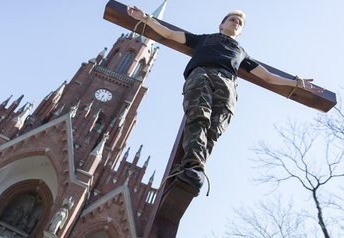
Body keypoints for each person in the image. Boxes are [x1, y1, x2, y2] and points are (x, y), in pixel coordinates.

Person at [126, 6, 323, 190]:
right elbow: (169, 34)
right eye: (232, 19)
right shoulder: (204, 39)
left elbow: (268, 77)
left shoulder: (241, 52)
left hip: (227, 84)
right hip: (202, 74)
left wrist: (296, 83)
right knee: (198, 114)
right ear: (221, 25)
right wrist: (144, 19)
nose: (236, 23)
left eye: (239, 23)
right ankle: (192, 163)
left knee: (215, 127)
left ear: (240, 32)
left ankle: (195, 168)